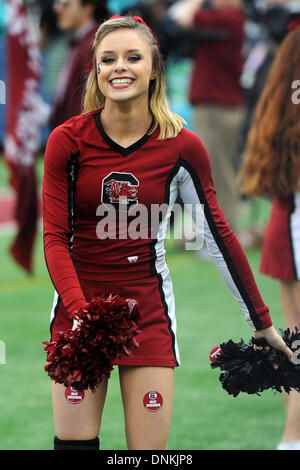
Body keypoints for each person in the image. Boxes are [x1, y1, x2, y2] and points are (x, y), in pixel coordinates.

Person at [42, 14, 292, 451]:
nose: (119, 67)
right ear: (96, 72)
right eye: (108, 60)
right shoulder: (68, 140)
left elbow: (218, 237)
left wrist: (261, 322)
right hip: (78, 309)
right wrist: (82, 312)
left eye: (133, 57)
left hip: (147, 312)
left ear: (154, 69)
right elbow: (54, 239)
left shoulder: (181, 146)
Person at [238, 21, 300, 451]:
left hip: (286, 218)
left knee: (294, 339)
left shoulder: (282, 87)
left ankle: (291, 437)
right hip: (292, 220)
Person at [173, 0, 245, 234]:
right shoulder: (223, 20)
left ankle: (225, 234)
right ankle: (216, 233)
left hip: (218, 108)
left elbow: (181, 17)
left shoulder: (228, 19)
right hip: (216, 107)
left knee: (218, 175)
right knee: (215, 173)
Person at [50, 0, 109, 129]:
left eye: (65, 2)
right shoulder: (80, 42)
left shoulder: (93, 45)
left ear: (88, 6)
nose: (57, 8)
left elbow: (89, 107)